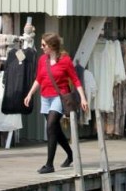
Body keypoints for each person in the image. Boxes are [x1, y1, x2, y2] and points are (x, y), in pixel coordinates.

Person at [24, 32, 88, 174]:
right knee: (55, 130)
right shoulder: (42, 60)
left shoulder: (65, 60)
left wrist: (83, 98)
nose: (41, 47)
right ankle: (70, 154)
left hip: (59, 97)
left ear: (52, 46)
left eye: (43, 45)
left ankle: (49, 165)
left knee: (51, 126)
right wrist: (29, 94)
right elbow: (39, 78)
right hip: (45, 97)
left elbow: (75, 80)